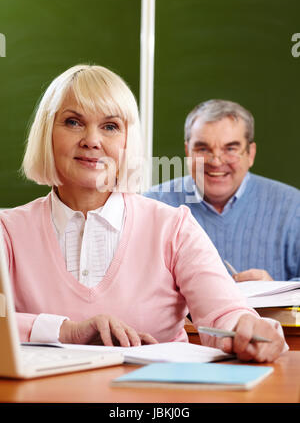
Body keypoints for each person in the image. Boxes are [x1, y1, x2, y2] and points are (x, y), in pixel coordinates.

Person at [0, 67, 286, 363]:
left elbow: (223, 313)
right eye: (73, 122)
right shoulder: (8, 231)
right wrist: (65, 331)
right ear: (47, 132)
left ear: (128, 140)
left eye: (110, 126)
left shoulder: (173, 227)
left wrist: (245, 328)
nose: (92, 140)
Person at [144, 99, 300, 282]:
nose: (216, 161)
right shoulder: (152, 206)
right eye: (203, 148)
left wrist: (275, 295)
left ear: (250, 154)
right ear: (188, 152)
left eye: (230, 149)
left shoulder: (293, 208)